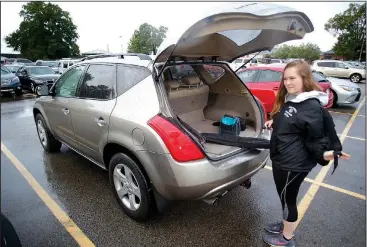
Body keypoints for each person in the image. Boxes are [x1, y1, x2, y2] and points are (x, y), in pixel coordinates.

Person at [261, 60, 351, 247]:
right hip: (283, 159)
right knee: (284, 197)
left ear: (304, 78)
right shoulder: (294, 99)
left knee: (289, 200)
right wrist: (274, 123)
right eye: (285, 78)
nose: (287, 82)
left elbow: (315, 141)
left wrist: (327, 155)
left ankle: (286, 238)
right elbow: (292, 122)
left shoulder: (310, 106)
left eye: (292, 78)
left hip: (292, 165)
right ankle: (286, 224)